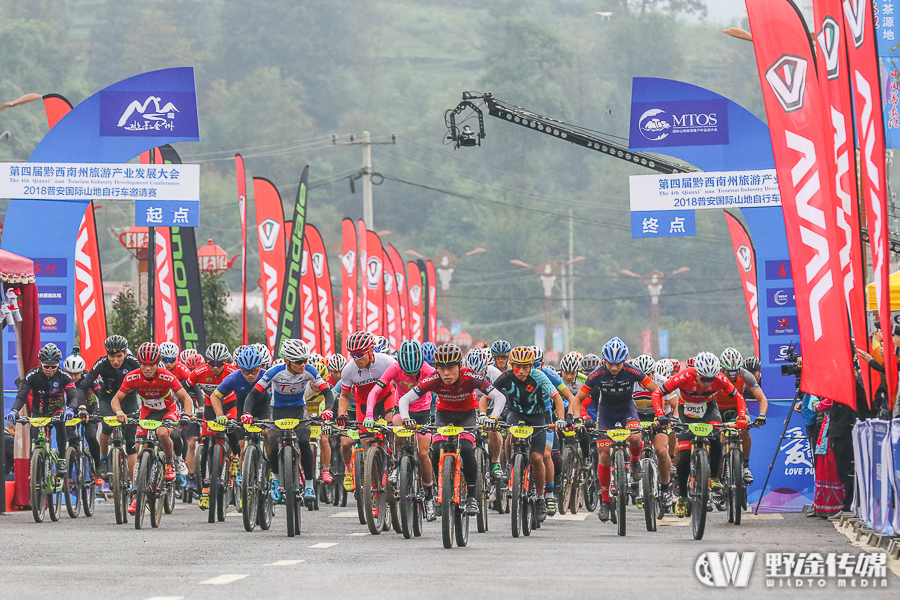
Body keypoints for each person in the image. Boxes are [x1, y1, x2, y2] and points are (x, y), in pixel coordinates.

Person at [397, 343, 506, 517]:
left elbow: (499, 396)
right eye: (441, 368)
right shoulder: (433, 378)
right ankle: (441, 489)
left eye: (450, 368)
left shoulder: (470, 376)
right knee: (436, 450)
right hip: (444, 415)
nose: (446, 373)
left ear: (460, 366)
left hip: (467, 415)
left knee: (466, 449)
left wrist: (493, 418)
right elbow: (404, 399)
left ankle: (471, 497)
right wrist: (405, 418)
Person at [651, 351, 748, 518]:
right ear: (697, 373)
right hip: (685, 412)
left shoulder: (719, 378)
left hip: (708, 410)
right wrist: (660, 415)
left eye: (711, 380)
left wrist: (741, 416)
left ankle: (714, 477)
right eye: (704, 379)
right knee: (685, 454)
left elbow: (738, 397)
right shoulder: (684, 375)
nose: (707, 383)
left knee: (717, 439)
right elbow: (657, 393)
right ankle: (682, 496)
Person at [571, 337, 658, 521]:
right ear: (605, 361)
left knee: (635, 438)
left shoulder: (632, 371)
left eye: (618, 364)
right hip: (607, 412)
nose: (614, 368)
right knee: (603, 453)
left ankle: (634, 462)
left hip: (627, 409)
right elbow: (578, 399)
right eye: (610, 364)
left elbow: (656, 391)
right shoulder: (597, 374)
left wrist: (659, 413)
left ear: (624, 361)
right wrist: (579, 420)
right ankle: (605, 501)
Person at [242, 339, 334, 505]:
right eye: (299, 361)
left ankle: (309, 485)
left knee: (305, 442)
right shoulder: (274, 372)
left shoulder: (310, 371)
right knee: (272, 440)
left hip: (299, 410)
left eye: (305, 360)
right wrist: (247, 413)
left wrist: (328, 409)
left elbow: (327, 392)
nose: (303, 364)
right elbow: (253, 394)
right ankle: (276, 478)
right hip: (278, 410)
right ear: (287, 361)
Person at [110, 342, 194, 514]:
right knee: (140, 447)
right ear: (139, 363)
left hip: (167, 410)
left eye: (152, 365)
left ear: (157, 364)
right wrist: (119, 412)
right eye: (144, 365)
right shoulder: (133, 377)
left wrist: (186, 416)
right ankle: (136, 494)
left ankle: (170, 463)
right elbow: (115, 399)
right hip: (147, 412)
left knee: (162, 433)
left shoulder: (167, 376)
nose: (148, 368)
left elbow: (187, 398)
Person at [491, 346, 565, 520]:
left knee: (537, 458)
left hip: (538, 416)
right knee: (511, 434)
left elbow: (557, 398)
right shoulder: (507, 376)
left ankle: (540, 497)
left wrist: (560, 418)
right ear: (512, 365)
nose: (521, 371)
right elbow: (487, 396)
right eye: (517, 367)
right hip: (516, 413)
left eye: (525, 367)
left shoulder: (539, 376)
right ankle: (511, 468)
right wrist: (488, 416)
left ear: (532, 366)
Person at [366, 340, 437, 520]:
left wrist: (439, 415)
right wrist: (368, 415)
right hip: (401, 408)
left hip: (422, 412)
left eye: (415, 373)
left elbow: (442, 392)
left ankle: (429, 496)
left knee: (422, 454)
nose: (411, 376)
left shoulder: (429, 370)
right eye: (407, 372)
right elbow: (374, 392)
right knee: (397, 431)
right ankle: (397, 464)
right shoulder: (394, 368)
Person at [334, 331, 397, 491]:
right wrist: (342, 414)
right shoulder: (349, 370)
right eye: (353, 354)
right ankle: (375, 492)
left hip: (385, 398)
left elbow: (401, 382)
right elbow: (344, 396)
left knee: (393, 425)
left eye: (360, 354)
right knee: (367, 448)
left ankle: (396, 461)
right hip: (363, 404)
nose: (356, 358)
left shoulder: (386, 361)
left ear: (370, 351)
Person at [77, 335, 141, 478]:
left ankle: (133, 485)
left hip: (129, 399)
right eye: (112, 356)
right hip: (107, 398)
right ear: (107, 354)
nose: (116, 360)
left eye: (119, 356)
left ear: (125, 353)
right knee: (106, 427)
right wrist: (81, 406)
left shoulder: (133, 363)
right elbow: (83, 386)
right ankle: (104, 459)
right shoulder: (102, 363)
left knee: (130, 442)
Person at [6, 343, 78, 470]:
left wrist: (70, 408)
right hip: (39, 411)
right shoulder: (32, 375)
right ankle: (36, 467)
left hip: (57, 410)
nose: (50, 370)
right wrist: (14, 410)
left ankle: (61, 458)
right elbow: (21, 396)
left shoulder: (64, 376)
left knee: (60, 424)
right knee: (35, 437)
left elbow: (73, 395)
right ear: (41, 363)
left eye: (53, 367)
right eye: (46, 367)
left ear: (58, 364)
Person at [717, 347, 768, 484]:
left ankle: (745, 467)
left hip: (737, 408)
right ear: (722, 368)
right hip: (717, 409)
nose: (733, 375)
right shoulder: (715, 375)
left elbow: (762, 399)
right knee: (718, 439)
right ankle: (717, 469)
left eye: (736, 371)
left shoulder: (746, 375)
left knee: (744, 430)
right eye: (730, 372)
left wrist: (762, 415)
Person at [63, 354, 104, 486]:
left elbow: (100, 394)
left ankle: (98, 468)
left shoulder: (88, 377)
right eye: (70, 374)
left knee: (91, 436)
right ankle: (68, 476)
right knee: (71, 441)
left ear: (82, 371)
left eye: (76, 374)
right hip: (73, 410)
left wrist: (105, 409)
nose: (73, 377)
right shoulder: (63, 378)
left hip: (91, 409)